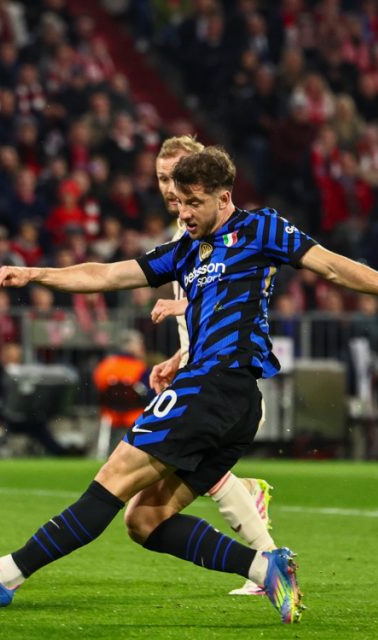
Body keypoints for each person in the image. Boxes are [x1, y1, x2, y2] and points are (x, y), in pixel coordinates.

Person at [0, 147, 378, 624]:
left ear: (225, 197)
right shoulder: (184, 251)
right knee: (145, 520)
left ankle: (3, 575)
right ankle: (265, 569)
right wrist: (37, 274)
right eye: (179, 204)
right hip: (225, 399)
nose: (184, 215)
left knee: (112, 477)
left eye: (195, 204)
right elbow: (108, 275)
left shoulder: (261, 229)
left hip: (219, 387)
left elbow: (333, 267)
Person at [148, 135, 280, 596]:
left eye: (178, 175)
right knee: (182, 475)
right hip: (198, 367)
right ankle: (262, 550)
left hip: (223, 377)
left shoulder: (234, 231)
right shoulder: (183, 239)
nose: (170, 187)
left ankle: (265, 564)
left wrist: (179, 309)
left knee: (164, 476)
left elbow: (238, 294)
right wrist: (179, 357)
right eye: (163, 178)